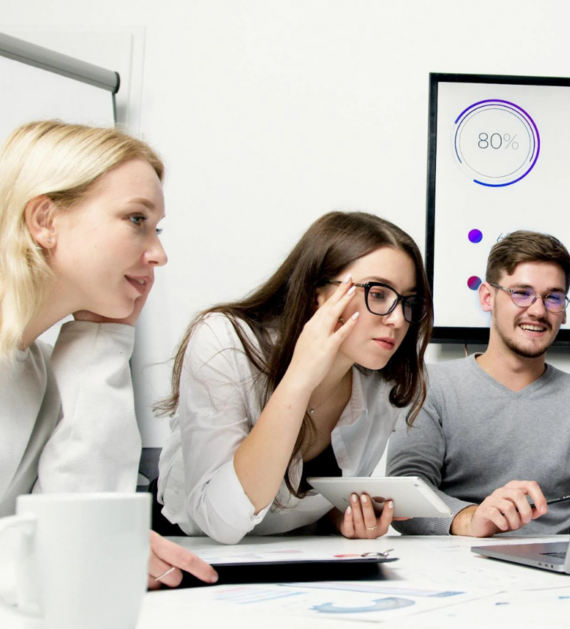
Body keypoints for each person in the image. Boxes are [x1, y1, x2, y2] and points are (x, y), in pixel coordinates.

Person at [0, 120, 216, 588]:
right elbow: (80, 550)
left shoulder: (40, 367)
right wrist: (84, 553)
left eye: (156, 228)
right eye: (136, 220)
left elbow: (83, 518)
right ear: (45, 221)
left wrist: (103, 338)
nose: (158, 254)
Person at [155, 212, 432, 545]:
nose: (399, 319)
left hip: (295, 558)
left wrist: (341, 516)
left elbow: (299, 505)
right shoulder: (224, 342)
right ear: (318, 293)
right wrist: (300, 378)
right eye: (377, 294)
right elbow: (222, 522)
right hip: (191, 552)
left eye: (409, 302)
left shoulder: (383, 386)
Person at [387, 231, 570, 537]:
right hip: (458, 562)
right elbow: (404, 496)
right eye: (521, 293)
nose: (538, 311)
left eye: (553, 297)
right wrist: (471, 519)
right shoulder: (430, 386)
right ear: (487, 297)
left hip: (563, 566)